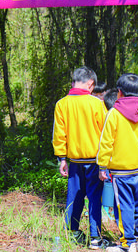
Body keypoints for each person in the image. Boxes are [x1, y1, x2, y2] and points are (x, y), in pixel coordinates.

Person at [52, 66, 107, 249]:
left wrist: (62, 158)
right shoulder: (97, 103)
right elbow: (105, 134)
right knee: (94, 199)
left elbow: (59, 134)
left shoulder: (62, 104)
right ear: (91, 84)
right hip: (94, 162)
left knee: (74, 197)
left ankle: (71, 232)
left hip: (74, 161)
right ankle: (95, 237)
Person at [97, 74, 138, 252]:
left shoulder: (114, 113)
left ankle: (128, 244)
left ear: (119, 93)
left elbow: (106, 142)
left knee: (124, 207)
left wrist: (102, 166)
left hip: (121, 171)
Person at [100, 87, 118, 223]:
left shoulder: (107, 114)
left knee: (107, 181)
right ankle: (107, 211)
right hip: (115, 158)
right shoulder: (114, 115)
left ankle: (106, 211)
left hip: (108, 157)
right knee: (108, 182)